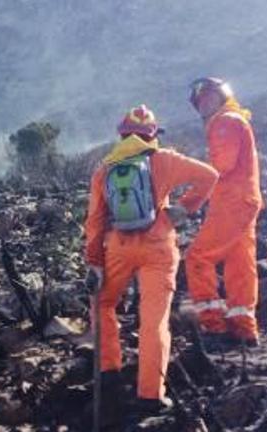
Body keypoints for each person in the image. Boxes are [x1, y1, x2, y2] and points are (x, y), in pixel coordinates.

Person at [85, 105, 218, 411]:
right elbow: (209, 176)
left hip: (117, 246)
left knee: (103, 303)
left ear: (122, 135)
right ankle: (150, 394)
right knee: (153, 320)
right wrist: (182, 210)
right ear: (153, 134)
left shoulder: (104, 168)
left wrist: (94, 261)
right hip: (158, 244)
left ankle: (108, 371)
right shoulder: (164, 160)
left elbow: (94, 221)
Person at [184, 78, 263, 346]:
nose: (204, 104)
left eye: (208, 97)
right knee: (239, 261)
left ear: (222, 96)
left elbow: (221, 167)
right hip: (245, 201)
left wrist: (188, 202)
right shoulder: (236, 119)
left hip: (232, 202)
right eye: (200, 101)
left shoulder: (223, 122)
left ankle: (213, 325)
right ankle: (244, 327)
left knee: (198, 257)